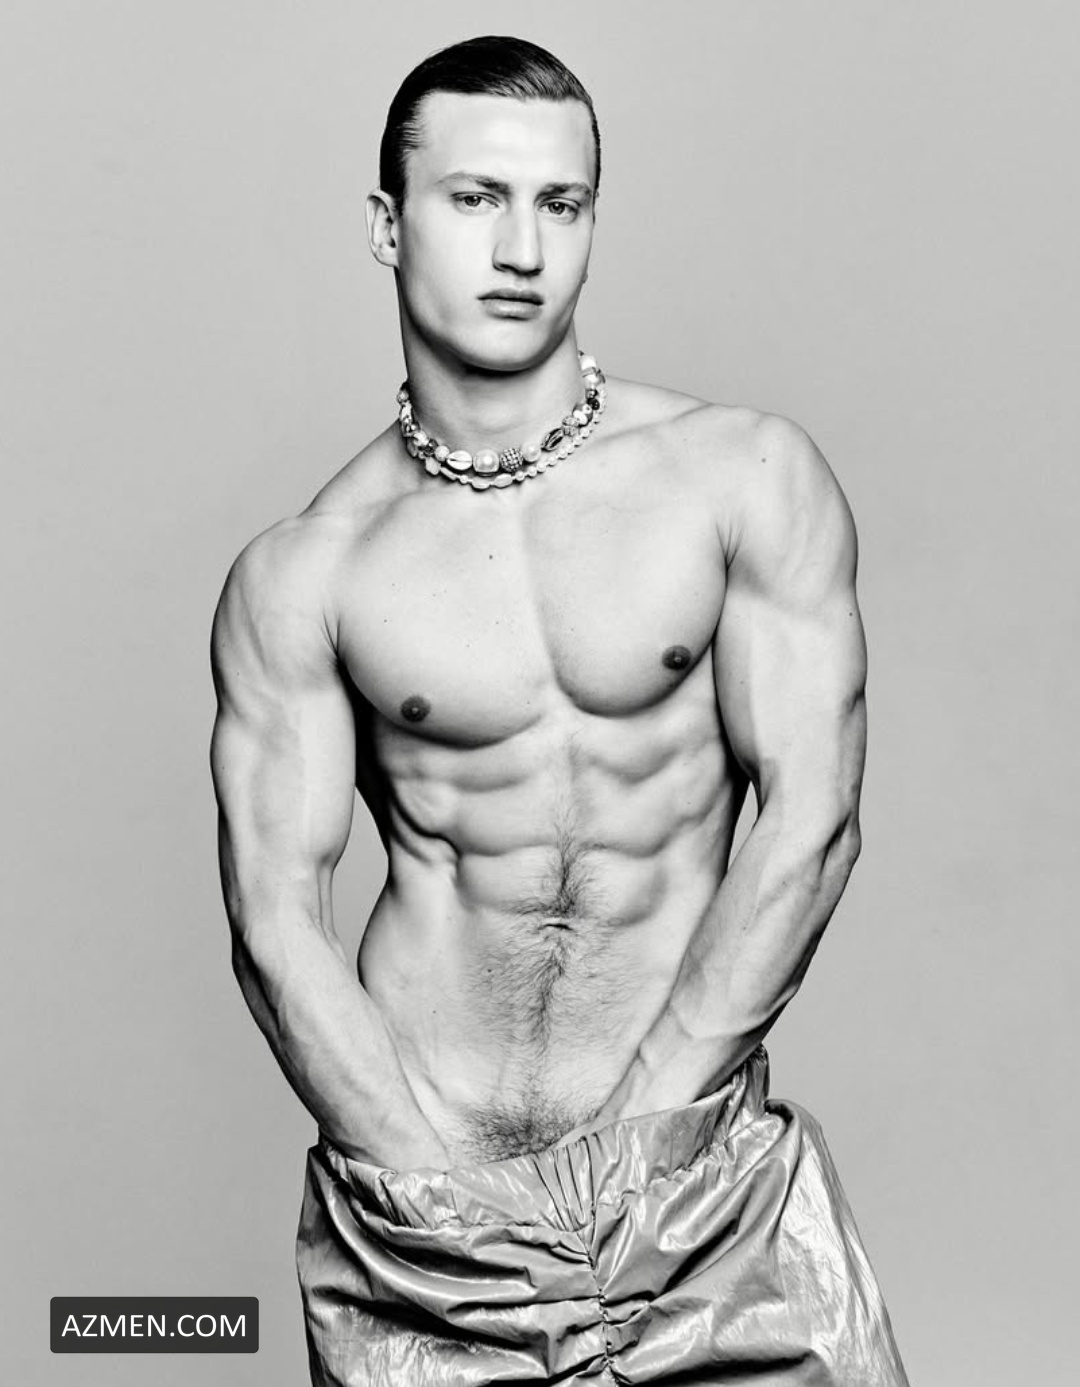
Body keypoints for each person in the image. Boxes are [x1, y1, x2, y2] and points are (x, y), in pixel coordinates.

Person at [210, 34, 908, 1387]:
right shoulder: (305, 572)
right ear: (388, 224)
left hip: (702, 1192)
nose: (522, 248)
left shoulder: (741, 477)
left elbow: (813, 820)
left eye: (561, 203)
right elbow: (273, 922)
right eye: (476, 198)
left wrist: (651, 1138)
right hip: (424, 1232)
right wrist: (426, 1182)